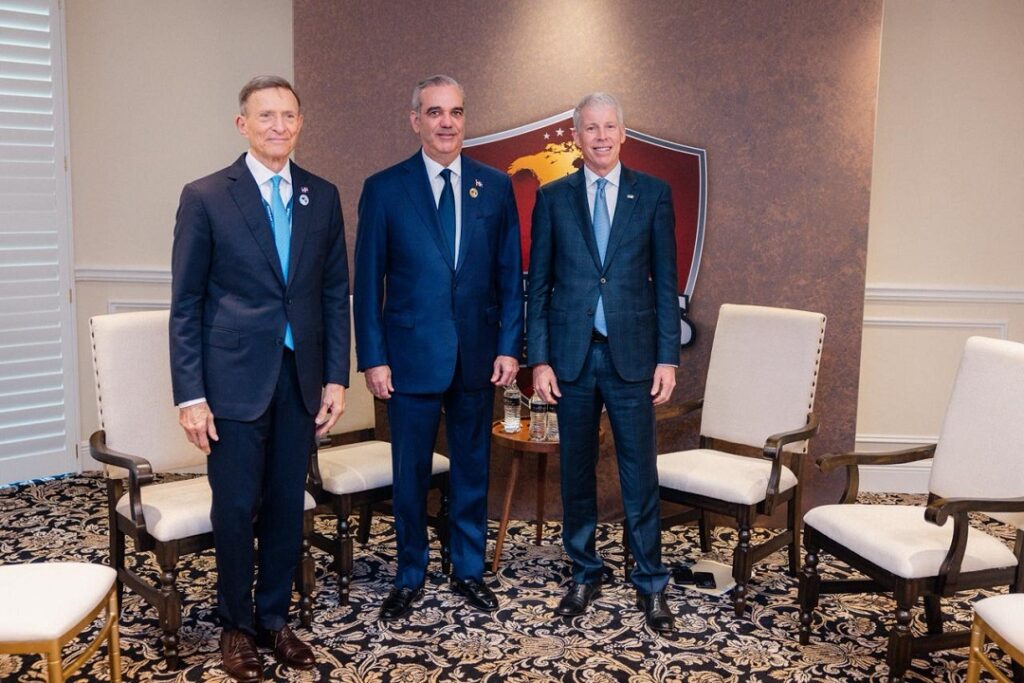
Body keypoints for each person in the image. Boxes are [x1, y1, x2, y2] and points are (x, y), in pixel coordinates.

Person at [170, 75, 349, 681]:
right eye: (265, 115)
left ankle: (274, 619)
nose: (278, 126)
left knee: (285, 505)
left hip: (299, 379)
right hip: (232, 383)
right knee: (235, 506)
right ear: (242, 124)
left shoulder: (322, 195)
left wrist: (335, 378)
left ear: (300, 123)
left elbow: (333, 293)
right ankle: (235, 626)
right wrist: (191, 395)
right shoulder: (206, 196)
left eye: (288, 115)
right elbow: (186, 303)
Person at [353, 74, 523, 622]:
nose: (446, 122)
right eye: (434, 112)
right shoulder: (385, 188)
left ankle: (468, 569)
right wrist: (373, 357)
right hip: (408, 358)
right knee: (410, 474)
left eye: (455, 112)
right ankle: (410, 573)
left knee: (473, 468)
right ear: (415, 121)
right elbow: (368, 282)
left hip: (477, 356)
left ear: (464, 119)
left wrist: (509, 346)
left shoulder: (494, 186)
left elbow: (509, 275)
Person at [527, 92, 680, 634]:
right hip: (570, 358)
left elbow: (665, 284)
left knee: (640, 473)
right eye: (590, 128)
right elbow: (538, 287)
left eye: (609, 126)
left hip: (632, 357)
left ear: (623, 133)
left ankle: (651, 582)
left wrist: (667, 358)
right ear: (576, 136)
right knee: (576, 472)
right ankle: (584, 572)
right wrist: (539, 360)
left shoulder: (653, 194)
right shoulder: (552, 198)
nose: (600, 136)